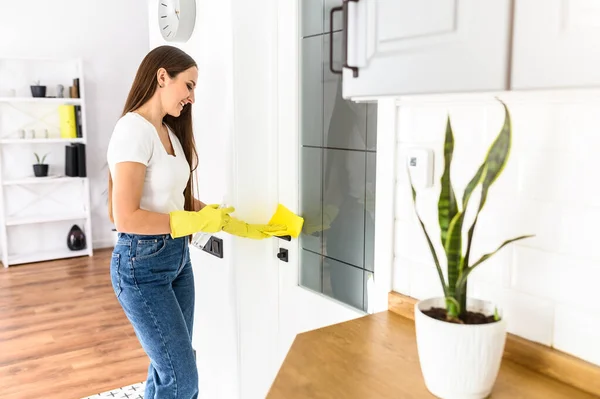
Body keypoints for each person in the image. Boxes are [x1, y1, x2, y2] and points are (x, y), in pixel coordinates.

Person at [106, 45, 285, 399]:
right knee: (182, 380)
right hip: (141, 267)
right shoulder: (132, 131)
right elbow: (125, 216)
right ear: (162, 77)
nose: (191, 97)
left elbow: (180, 201)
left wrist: (229, 221)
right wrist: (193, 222)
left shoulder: (169, 133)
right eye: (188, 86)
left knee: (168, 371)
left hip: (177, 261)